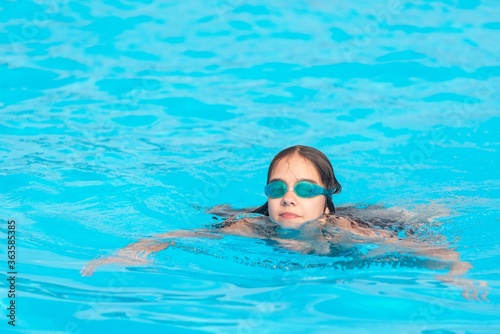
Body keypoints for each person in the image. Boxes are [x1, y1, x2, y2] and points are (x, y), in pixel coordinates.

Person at [81, 145, 487, 300]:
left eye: (307, 190)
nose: (289, 197)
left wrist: (456, 271)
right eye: (278, 189)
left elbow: (420, 248)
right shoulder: (250, 226)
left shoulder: (343, 227)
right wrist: (132, 252)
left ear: (326, 200)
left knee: (414, 219)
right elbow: (177, 236)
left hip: (362, 224)